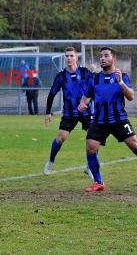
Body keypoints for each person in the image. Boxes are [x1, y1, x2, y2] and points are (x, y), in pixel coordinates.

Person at [78, 46, 137, 192]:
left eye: (106, 55)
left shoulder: (123, 76)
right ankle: (98, 182)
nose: (102, 58)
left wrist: (120, 82)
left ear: (113, 59)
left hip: (118, 119)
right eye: (101, 56)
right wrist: (82, 104)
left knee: (134, 145)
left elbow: (131, 96)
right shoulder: (94, 79)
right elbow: (86, 97)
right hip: (99, 121)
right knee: (90, 147)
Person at [43, 47, 94, 179]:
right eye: (67, 56)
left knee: (94, 139)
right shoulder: (61, 76)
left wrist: (95, 73)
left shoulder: (85, 72)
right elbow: (52, 94)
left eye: (71, 55)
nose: (69, 58)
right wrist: (48, 112)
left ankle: (90, 167)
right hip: (69, 113)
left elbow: (95, 86)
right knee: (61, 138)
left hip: (86, 112)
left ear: (76, 57)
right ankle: (50, 161)